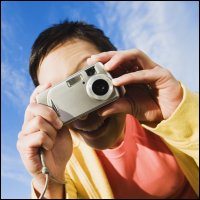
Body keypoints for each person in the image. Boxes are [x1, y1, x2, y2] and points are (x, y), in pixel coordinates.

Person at [17, 20, 199, 199]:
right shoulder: (62, 163)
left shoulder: (168, 114)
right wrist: (49, 182)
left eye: (91, 82)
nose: (84, 114)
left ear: (116, 67)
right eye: (61, 100)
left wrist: (184, 118)